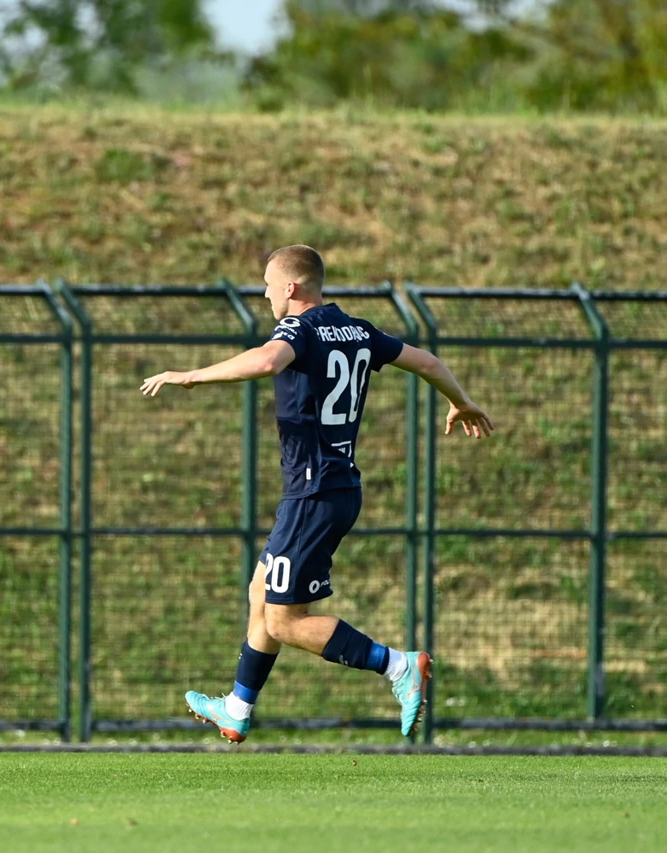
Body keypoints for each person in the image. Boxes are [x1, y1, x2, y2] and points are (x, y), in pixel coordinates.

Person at [140, 245, 494, 741]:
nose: (264, 292)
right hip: (337, 486)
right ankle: (237, 708)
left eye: (268, 283)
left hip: (312, 492)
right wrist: (461, 402)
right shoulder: (360, 330)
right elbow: (429, 362)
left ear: (290, 287)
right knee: (261, 593)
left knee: (284, 621)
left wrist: (191, 375)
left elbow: (268, 361)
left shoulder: (298, 330)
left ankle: (398, 666)